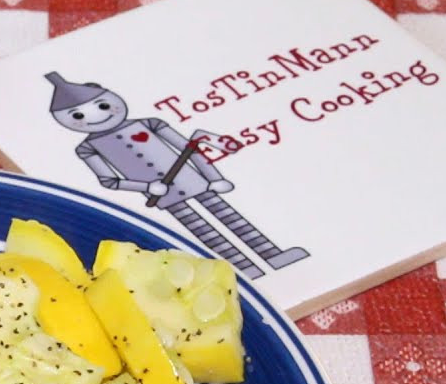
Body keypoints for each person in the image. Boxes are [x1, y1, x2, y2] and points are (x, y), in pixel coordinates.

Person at [46, 72, 307, 279]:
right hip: (162, 193)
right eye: (78, 115)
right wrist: (146, 186)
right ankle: (240, 269)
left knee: (229, 216)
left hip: (190, 178)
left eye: (102, 105)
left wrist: (213, 175)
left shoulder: (151, 124)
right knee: (202, 231)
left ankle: (272, 254)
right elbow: (109, 181)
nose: (96, 116)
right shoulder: (87, 148)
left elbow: (187, 147)